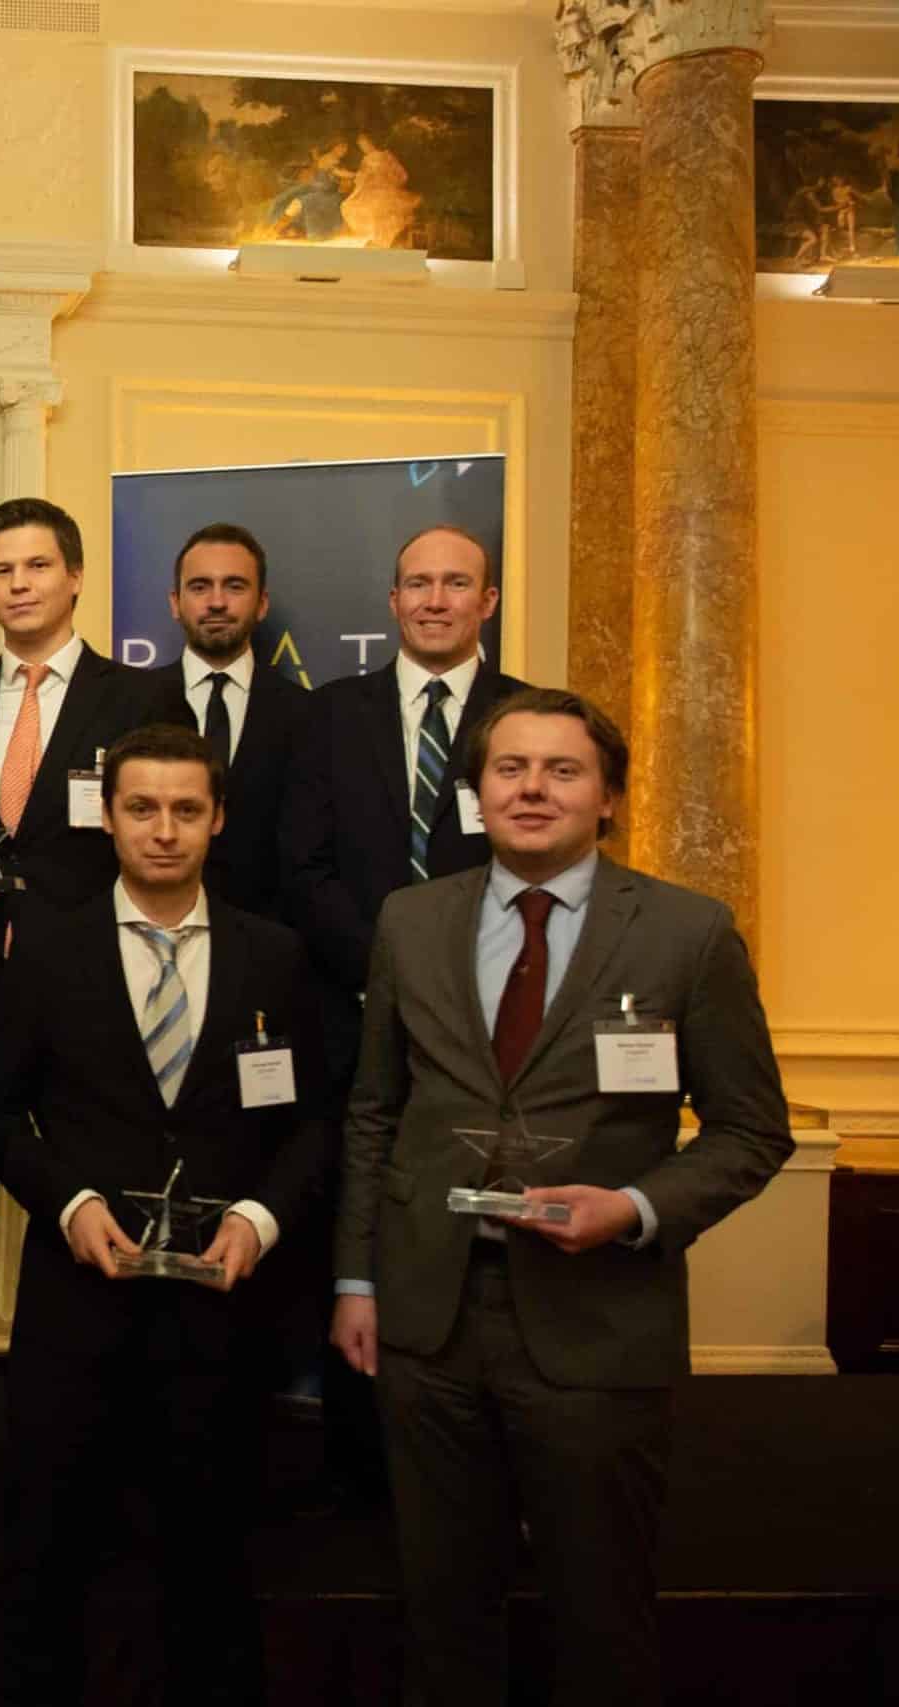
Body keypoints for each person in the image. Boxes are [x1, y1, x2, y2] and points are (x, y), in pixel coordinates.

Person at [329, 688, 793, 1707]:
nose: (531, 788)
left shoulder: (688, 933)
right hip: (428, 1319)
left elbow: (752, 1131)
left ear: (609, 798)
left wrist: (631, 1209)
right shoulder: (410, 919)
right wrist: (356, 1280)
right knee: (441, 1613)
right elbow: (374, 1110)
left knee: (600, 1617)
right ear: (476, 793)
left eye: (562, 770)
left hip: (596, 1324)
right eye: (509, 768)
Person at [0, 723, 335, 1706]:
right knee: (45, 1563)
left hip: (222, 1311)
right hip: (77, 1309)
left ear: (218, 818)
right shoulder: (46, 949)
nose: (164, 830)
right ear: (107, 816)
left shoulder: (275, 955)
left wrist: (261, 1216)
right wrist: (70, 1202)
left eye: (186, 809)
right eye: (142, 808)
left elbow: (314, 1121)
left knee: (210, 1567)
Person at [0, 495, 164, 1513]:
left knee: (93, 1206)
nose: (17, 584)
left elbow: (161, 845)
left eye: (35, 566)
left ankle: (103, 1446)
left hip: (86, 997)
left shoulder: (139, 698)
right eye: (1, 570)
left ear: (75, 577)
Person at [278, 522, 525, 1511]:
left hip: (490, 1027)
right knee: (352, 1214)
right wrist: (389, 974)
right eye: (417, 583)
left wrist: (449, 991)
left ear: (487, 602)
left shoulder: (528, 719)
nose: (434, 599)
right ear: (390, 602)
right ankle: (355, 1459)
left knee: (472, 1226)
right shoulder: (328, 716)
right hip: (349, 1013)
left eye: (455, 583)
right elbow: (302, 867)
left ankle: (478, 1450)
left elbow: (535, 866)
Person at [148, 522, 308, 921]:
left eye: (234, 586)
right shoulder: (130, 703)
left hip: (271, 938)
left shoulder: (307, 714)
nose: (216, 602)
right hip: (153, 929)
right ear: (175, 602)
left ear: (262, 603)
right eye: (200, 587)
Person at [340, 133, 421, 249]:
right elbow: (361, 177)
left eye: (364, 144)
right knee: (356, 207)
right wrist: (363, 179)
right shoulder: (366, 159)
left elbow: (402, 175)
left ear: (371, 142)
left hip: (387, 191)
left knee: (382, 209)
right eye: (361, 145)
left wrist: (387, 178)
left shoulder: (386, 156)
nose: (363, 147)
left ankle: (383, 240)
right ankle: (378, 239)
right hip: (370, 191)